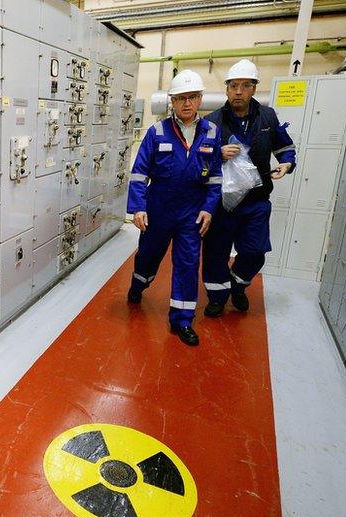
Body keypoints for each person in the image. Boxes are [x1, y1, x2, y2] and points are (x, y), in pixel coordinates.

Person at [126, 69, 223, 347]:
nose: (187, 103)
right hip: (159, 211)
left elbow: (216, 177)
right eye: (181, 98)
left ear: (201, 98)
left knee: (188, 265)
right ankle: (138, 285)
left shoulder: (212, 133)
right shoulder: (157, 132)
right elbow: (139, 172)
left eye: (192, 97)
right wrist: (138, 208)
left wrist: (209, 208)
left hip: (191, 214)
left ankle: (182, 320)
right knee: (148, 256)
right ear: (172, 101)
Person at [201, 59, 296, 317]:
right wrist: (217, 154)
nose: (239, 91)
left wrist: (287, 164)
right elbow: (198, 158)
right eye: (233, 86)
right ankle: (217, 296)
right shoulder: (211, 122)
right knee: (215, 253)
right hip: (222, 202)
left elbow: (285, 147)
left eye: (245, 85)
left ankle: (238, 285)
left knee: (255, 251)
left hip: (256, 200)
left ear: (254, 88)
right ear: (227, 89)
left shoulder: (268, 116)